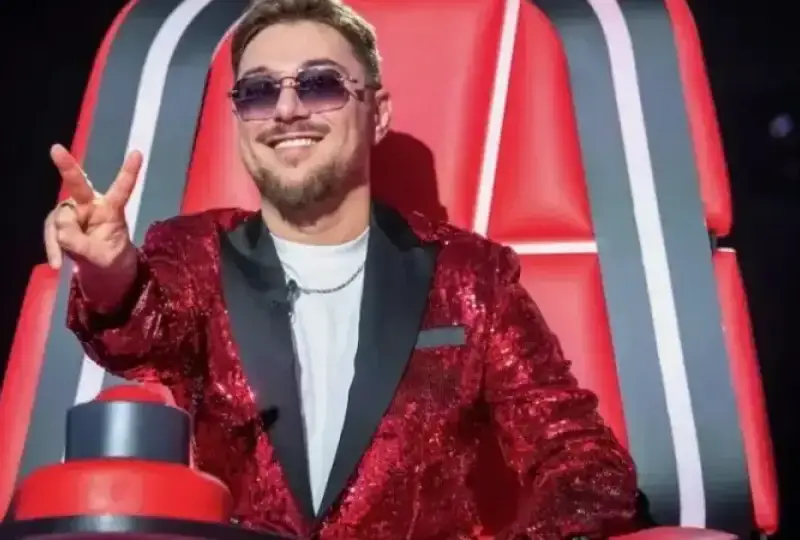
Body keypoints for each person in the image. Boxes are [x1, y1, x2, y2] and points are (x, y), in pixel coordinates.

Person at [43, 0, 640, 537]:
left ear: (377, 112)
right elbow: (143, 331)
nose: (285, 109)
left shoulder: (468, 275)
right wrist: (110, 272)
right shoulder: (195, 252)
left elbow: (585, 462)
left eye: (319, 84)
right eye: (258, 91)